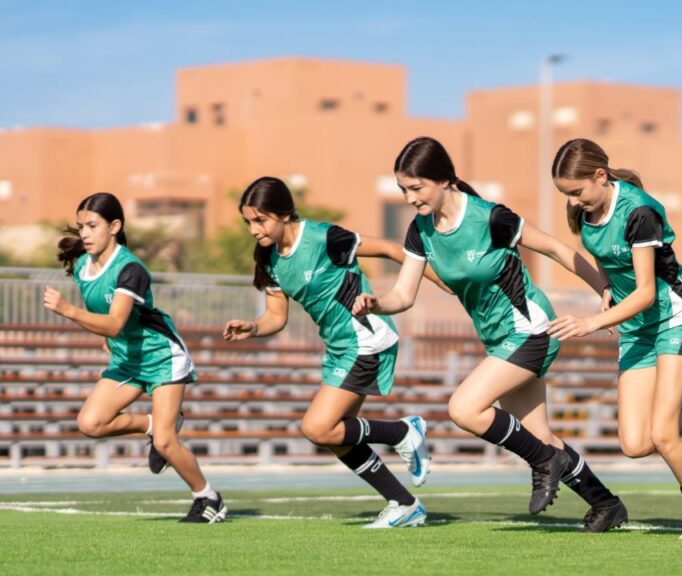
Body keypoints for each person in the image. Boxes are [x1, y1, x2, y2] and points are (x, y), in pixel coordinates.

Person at [354, 137, 628, 532]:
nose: (410, 198)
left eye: (416, 188)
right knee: (538, 435)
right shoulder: (420, 231)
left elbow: (555, 249)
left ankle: (544, 462)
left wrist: (604, 289)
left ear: (444, 180)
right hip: (500, 341)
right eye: (403, 190)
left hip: (531, 328)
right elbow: (403, 295)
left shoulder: (490, 218)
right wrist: (376, 304)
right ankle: (606, 504)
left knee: (465, 409)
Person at [223, 176, 441, 528]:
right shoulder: (269, 258)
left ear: (284, 214)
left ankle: (403, 432)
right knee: (337, 436)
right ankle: (404, 504)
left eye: (260, 220)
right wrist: (253, 327)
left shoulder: (323, 237)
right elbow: (276, 317)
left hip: (365, 338)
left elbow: (390, 249)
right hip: (339, 347)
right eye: (248, 222)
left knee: (317, 428)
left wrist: (444, 281)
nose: (253, 230)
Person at [549, 138, 682, 540]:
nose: (572, 201)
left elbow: (647, 293)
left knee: (663, 435)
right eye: (566, 194)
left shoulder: (639, 212)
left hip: (673, 319)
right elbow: (604, 256)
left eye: (577, 191)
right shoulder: (583, 212)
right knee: (635, 444)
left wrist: (591, 323)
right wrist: (605, 287)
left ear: (600, 175)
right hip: (636, 328)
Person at [45, 192, 226, 523]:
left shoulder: (130, 269)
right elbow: (106, 315)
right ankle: (153, 425)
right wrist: (107, 339)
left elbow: (115, 322)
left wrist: (68, 310)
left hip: (161, 357)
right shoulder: (83, 265)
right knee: (90, 423)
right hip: (127, 359)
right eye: (81, 226)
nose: (84, 233)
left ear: (115, 226)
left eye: (93, 226)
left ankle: (208, 497)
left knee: (167, 444)